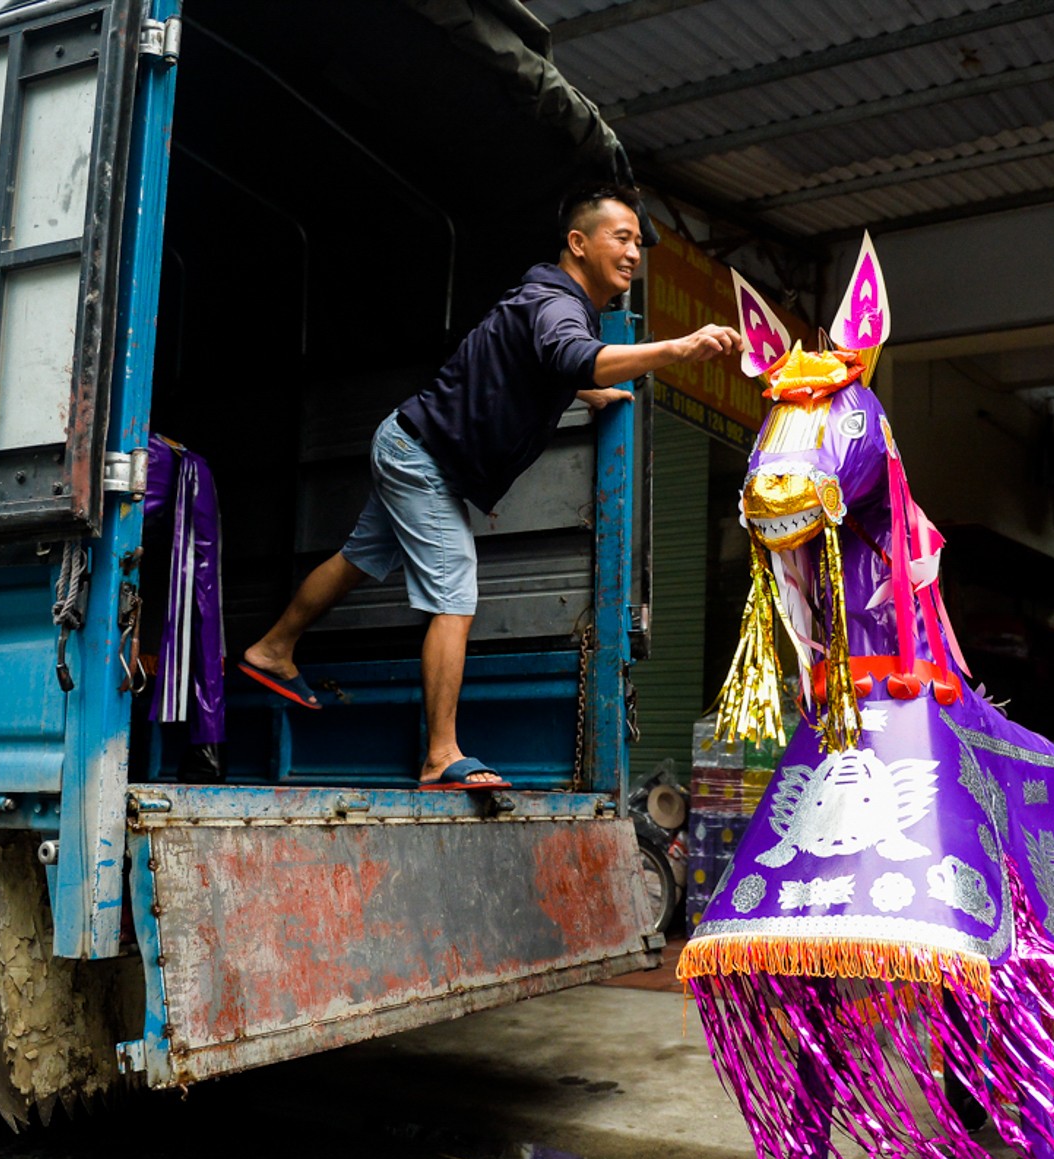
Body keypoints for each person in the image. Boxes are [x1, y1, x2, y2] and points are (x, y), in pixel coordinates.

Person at [239, 185, 740, 788]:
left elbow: (539, 365)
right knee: (455, 596)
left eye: (638, 242)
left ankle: (272, 649)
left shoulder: (544, 298)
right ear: (578, 244)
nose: (634, 252)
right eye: (621, 237)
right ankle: (441, 756)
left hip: (412, 444)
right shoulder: (557, 304)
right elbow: (572, 354)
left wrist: (584, 390)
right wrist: (677, 348)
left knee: (358, 559)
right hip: (422, 458)